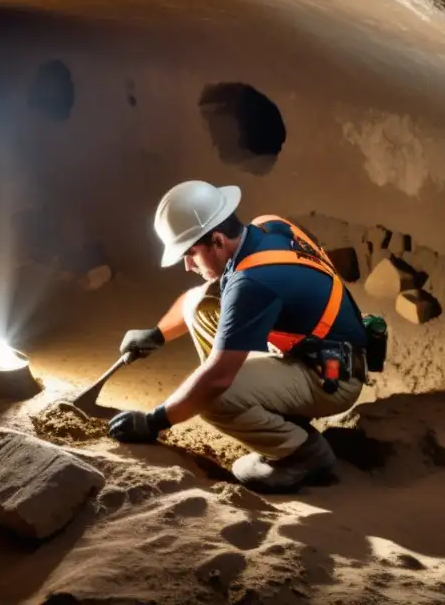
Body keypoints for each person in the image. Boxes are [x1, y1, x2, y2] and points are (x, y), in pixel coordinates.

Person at [108, 180, 369, 492]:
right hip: (317, 350)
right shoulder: (264, 229)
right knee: (202, 305)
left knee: (216, 395)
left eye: (191, 253)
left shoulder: (252, 283)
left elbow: (218, 378)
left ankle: (302, 454)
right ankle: (268, 411)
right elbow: (198, 296)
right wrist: (157, 334)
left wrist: (155, 422)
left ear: (217, 240)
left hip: (332, 377)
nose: (188, 266)